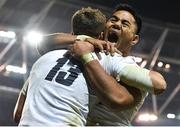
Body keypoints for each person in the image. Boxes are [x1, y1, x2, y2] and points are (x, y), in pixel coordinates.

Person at [15, 5, 166, 126]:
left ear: (134, 39)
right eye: (113, 19)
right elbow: (43, 42)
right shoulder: (77, 52)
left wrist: (86, 54)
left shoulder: (124, 63)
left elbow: (158, 84)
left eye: (124, 24)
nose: (116, 24)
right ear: (102, 30)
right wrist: (84, 41)